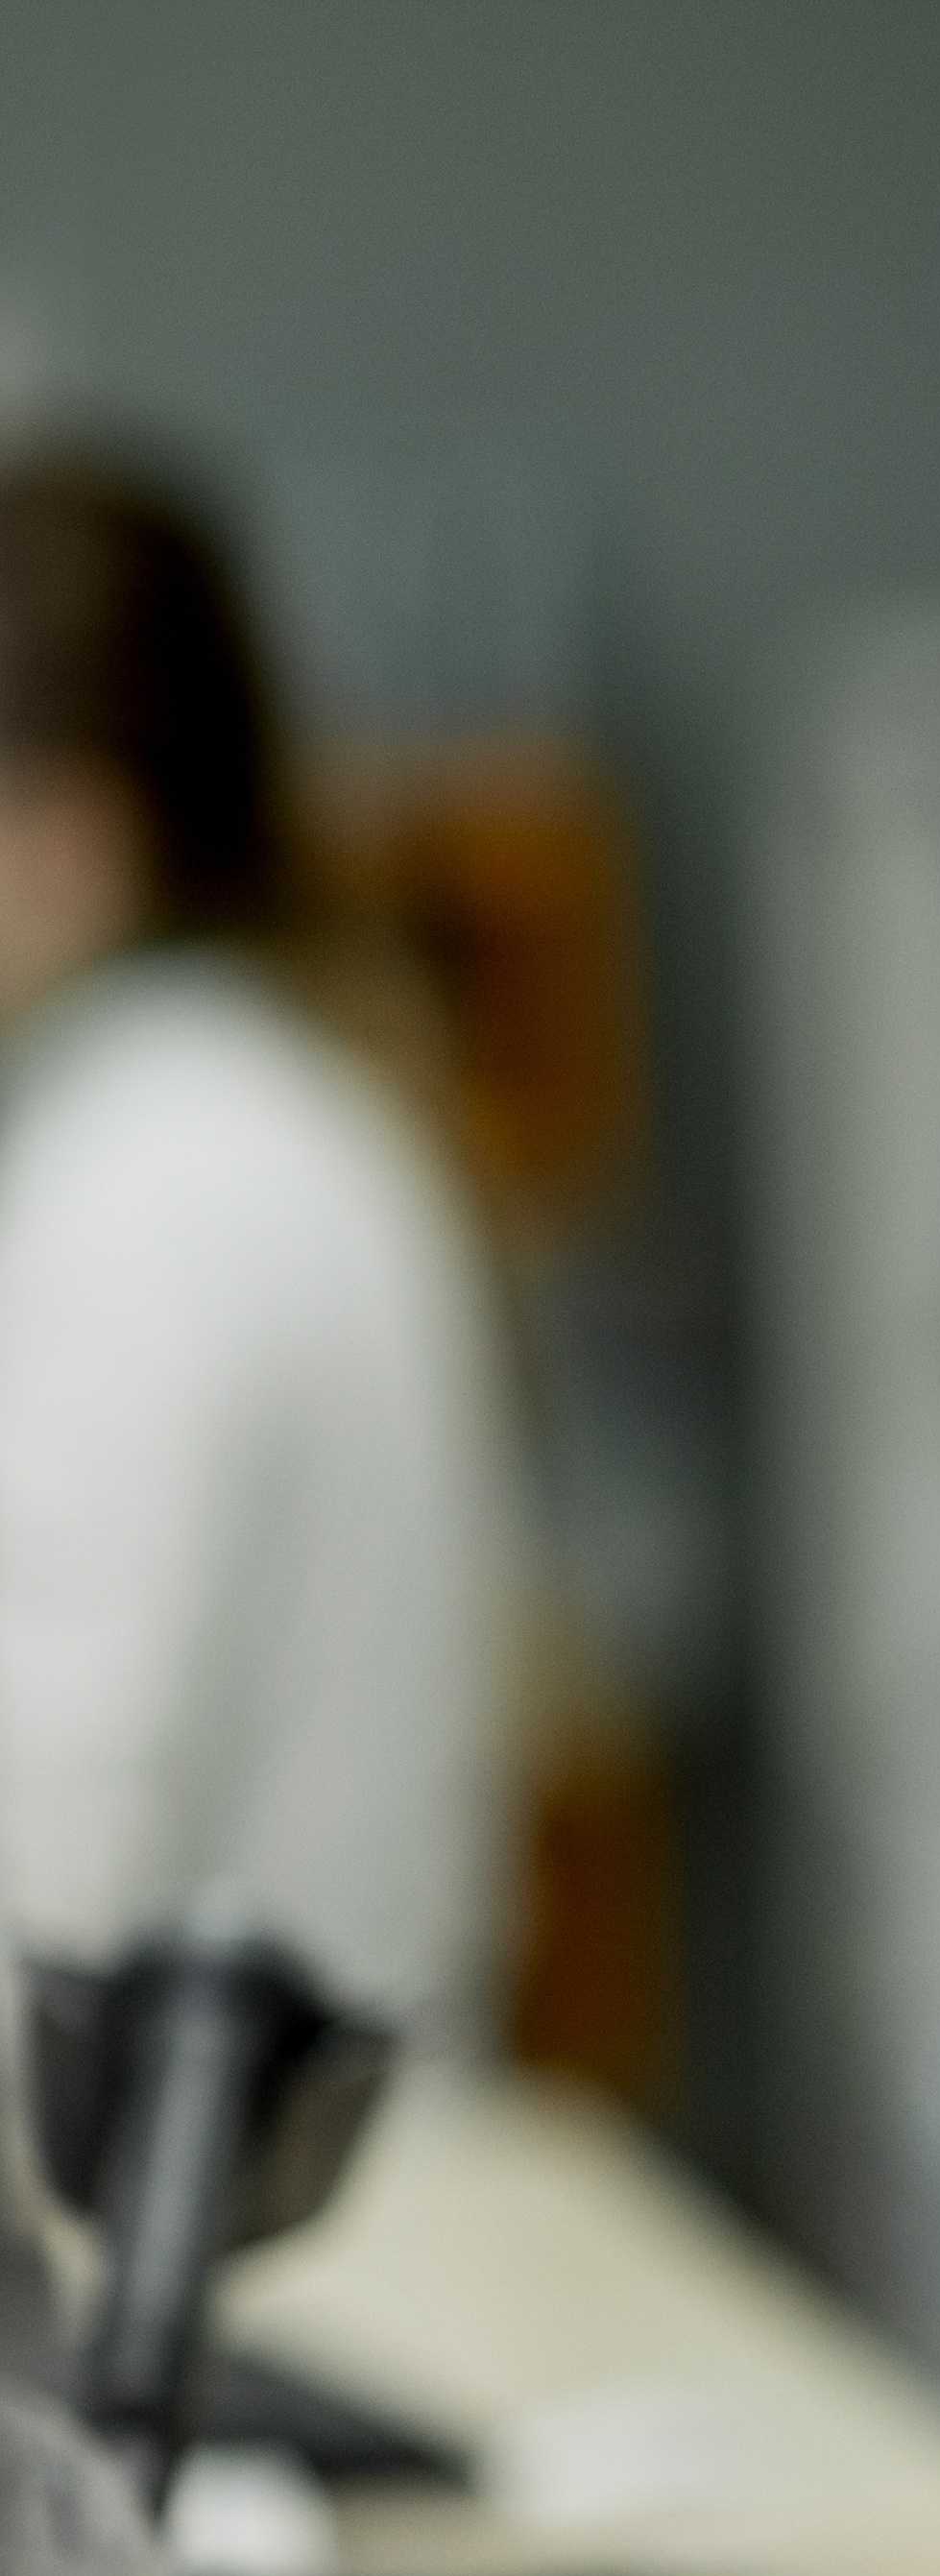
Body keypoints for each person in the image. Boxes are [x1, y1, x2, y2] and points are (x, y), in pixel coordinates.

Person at [0, 444, 517, 2034]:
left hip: (173, 2206)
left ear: (72, 828)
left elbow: (46, 1823)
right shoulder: (274, 1110)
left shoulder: (147, 1188)